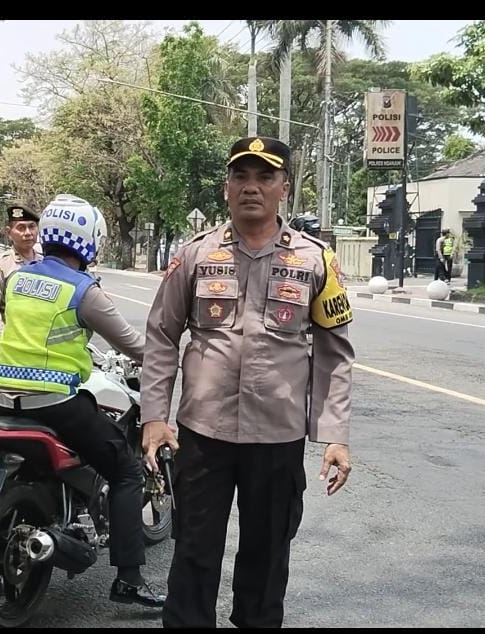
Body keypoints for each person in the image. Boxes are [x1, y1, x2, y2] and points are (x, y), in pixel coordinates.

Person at [141, 136, 356, 628]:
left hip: (277, 438)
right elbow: (160, 336)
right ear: (226, 188)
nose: (251, 187)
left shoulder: (315, 260)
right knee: (194, 552)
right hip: (204, 433)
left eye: (265, 177)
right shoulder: (195, 256)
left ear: (285, 189)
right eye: (241, 176)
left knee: (267, 556)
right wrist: (154, 416)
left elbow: (334, 352)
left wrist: (335, 436)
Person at [0, 193, 165, 609]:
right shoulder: (84, 290)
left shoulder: (17, 279)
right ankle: (129, 579)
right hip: (53, 403)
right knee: (124, 469)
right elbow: (134, 346)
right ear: (89, 242)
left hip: (3, 400)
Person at [0, 205, 41, 353]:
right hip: (11, 346)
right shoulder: (1, 265)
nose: (28, 233)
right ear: (9, 233)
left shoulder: (46, 262)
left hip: (39, 344)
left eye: (32, 227)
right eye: (21, 228)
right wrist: (2, 344)